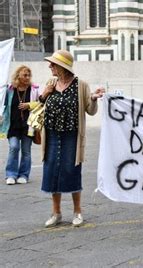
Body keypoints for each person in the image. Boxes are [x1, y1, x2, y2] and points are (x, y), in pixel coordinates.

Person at [39, 50, 104, 228]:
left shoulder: (80, 85)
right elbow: (40, 104)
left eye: (53, 64)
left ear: (62, 67)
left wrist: (93, 98)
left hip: (71, 135)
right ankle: (56, 213)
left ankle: (77, 211)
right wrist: (45, 93)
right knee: (52, 171)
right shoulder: (50, 83)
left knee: (72, 171)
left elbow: (90, 110)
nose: (50, 66)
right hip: (52, 134)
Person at [0, 65, 40, 185]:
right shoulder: (10, 89)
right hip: (13, 125)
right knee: (14, 147)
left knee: (26, 151)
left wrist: (29, 105)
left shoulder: (34, 89)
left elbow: (40, 103)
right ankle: (11, 174)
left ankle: (23, 175)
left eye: (29, 75)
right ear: (18, 76)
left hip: (28, 126)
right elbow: (3, 104)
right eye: (25, 75)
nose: (27, 77)